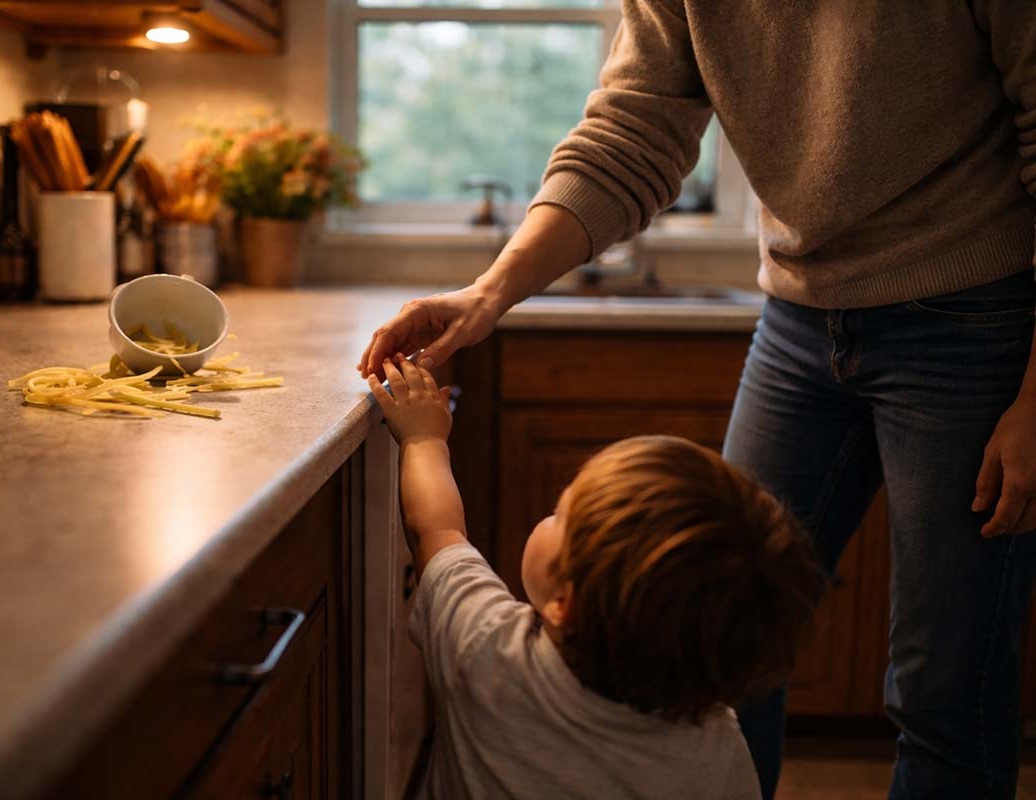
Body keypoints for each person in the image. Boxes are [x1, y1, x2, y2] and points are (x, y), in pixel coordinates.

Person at [358, 4, 1036, 798]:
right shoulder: (714, 765)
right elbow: (631, 129)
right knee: (716, 650)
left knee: (948, 688)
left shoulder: (477, 643)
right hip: (796, 312)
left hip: (975, 316)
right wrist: (491, 291)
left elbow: (438, 529)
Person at [366, 354, 822, 799]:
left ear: (567, 604)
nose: (551, 512)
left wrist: (424, 438)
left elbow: (436, 528)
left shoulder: (485, 647)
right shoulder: (720, 751)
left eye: (561, 514)